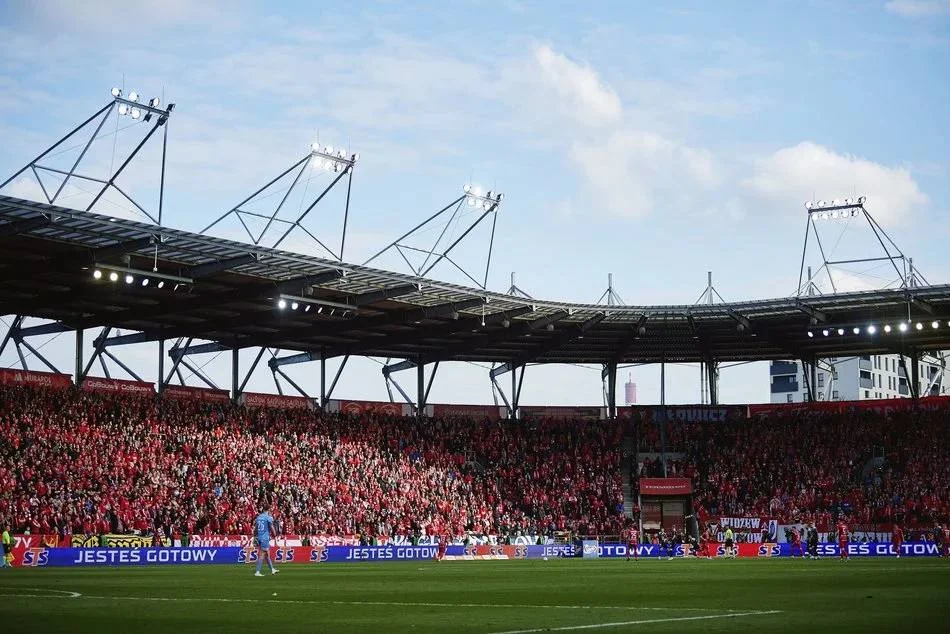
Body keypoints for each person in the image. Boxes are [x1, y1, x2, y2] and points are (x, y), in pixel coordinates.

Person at [254, 504, 279, 577]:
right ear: (268, 510)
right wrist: (275, 535)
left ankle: (272, 569)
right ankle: (257, 572)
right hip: (265, 537)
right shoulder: (268, 517)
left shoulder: (259, 517)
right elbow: (271, 527)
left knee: (266, 554)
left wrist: (255, 537)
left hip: (259, 536)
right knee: (262, 554)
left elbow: (255, 528)